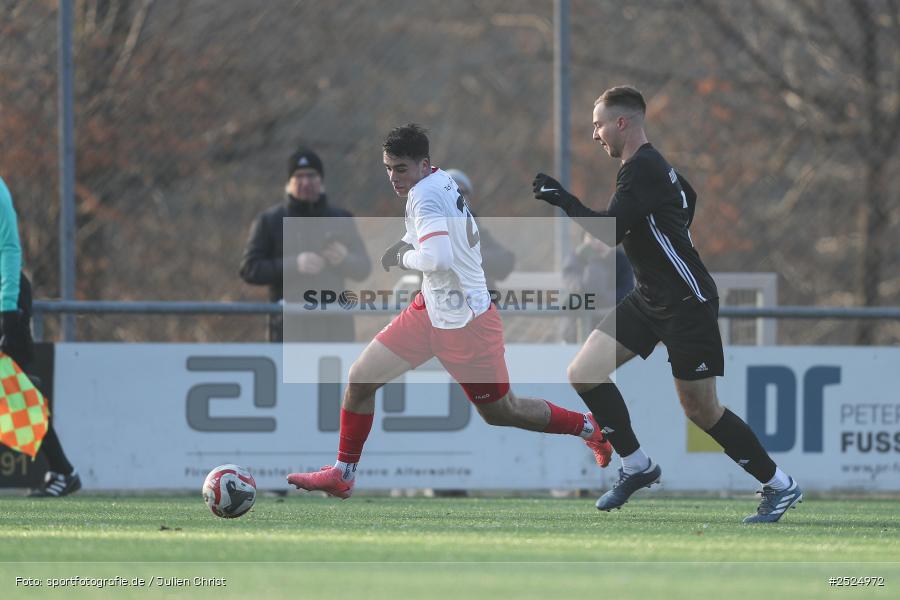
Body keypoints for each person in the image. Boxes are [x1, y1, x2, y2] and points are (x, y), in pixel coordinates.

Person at [287, 124, 612, 498]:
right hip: (429, 310)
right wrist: (407, 242)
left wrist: (403, 255)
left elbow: (437, 258)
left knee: (503, 411)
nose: (393, 177)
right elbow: (439, 236)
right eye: (388, 168)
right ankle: (343, 473)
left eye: (401, 169)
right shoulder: (438, 181)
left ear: (424, 164)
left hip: (465, 322)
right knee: (360, 380)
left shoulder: (423, 196)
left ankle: (589, 427)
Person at [533, 86, 801, 523]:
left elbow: (608, 233)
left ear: (623, 122)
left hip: (685, 303)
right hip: (649, 297)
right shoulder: (653, 168)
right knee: (583, 371)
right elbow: (687, 198)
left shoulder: (642, 169)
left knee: (701, 410)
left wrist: (563, 199)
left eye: (599, 124)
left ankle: (779, 485)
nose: (595, 134)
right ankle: (636, 465)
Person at [0, 176, 80, 497]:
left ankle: (63, 471)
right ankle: (63, 471)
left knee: (12, 391)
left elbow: (8, 247)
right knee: (13, 391)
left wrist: (7, 309)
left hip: (6, 297)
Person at [240, 148, 371, 342]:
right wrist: (294, 265)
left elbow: (363, 268)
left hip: (334, 326)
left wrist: (344, 259)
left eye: (312, 176)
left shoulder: (341, 218)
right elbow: (250, 269)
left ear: (321, 181)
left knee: (337, 373)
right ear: (289, 183)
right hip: (289, 325)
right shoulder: (269, 220)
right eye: (298, 177)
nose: (306, 182)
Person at [444, 169, 515, 297]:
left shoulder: (474, 227)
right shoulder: (429, 227)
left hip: (479, 306)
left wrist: (475, 256)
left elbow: (506, 262)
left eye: (462, 192)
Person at [561, 231, 634, 341]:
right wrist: (595, 260)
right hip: (576, 333)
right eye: (593, 237)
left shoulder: (622, 261)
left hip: (612, 331)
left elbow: (626, 292)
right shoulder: (575, 259)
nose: (599, 242)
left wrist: (600, 299)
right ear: (583, 239)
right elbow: (583, 289)